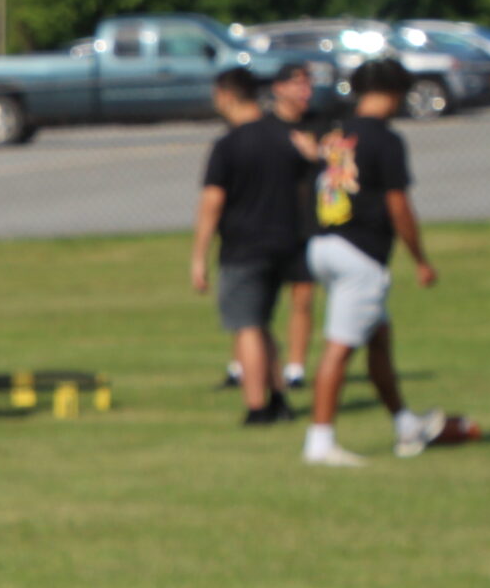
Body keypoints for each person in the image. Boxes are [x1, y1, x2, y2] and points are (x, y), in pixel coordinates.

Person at [301, 57, 448, 467]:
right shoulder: (386, 140)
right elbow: (398, 204)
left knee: (378, 336)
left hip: (323, 242)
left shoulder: (336, 133)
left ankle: (405, 423)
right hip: (360, 251)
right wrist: (420, 258)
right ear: (396, 93)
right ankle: (320, 442)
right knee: (340, 347)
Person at [189, 66, 313, 426]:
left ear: (226, 96)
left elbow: (212, 202)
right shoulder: (285, 136)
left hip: (244, 246)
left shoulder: (228, 146)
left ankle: (256, 407)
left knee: (245, 325)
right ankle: (279, 400)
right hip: (286, 243)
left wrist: (199, 257)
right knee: (261, 324)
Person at [267, 62, 323, 389]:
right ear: (279, 87)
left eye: (308, 84)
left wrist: (316, 155)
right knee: (261, 299)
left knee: (303, 295)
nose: (305, 91)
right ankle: (244, 365)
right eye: (297, 83)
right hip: (269, 222)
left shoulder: (319, 124)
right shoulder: (267, 128)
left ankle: (296, 368)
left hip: (305, 223)